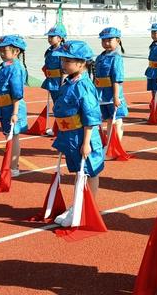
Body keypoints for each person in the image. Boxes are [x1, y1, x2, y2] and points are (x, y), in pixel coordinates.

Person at [51, 40, 104, 227]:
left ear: (81, 63)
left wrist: (87, 142)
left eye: (68, 61)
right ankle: (78, 204)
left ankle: (89, 207)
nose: (63, 64)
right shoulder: (69, 82)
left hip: (82, 136)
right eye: (63, 60)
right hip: (70, 136)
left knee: (90, 171)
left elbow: (90, 116)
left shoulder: (83, 85)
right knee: (78, 172)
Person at [0, 35, 29, 180]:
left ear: (16, 51)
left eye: (4, 50)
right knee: (9, 137)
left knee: (13, 138)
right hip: (4, 108)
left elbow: (17, 93)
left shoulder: (16, 68)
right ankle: (11, 167)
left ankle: (12, 168)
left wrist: (14, 112)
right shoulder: (7, 66)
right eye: (0, 50)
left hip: (12, 108)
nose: (1, 53)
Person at [95, 27, 129, 142]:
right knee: (109, 119)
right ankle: (110, 143)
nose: (106, 43)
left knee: (117, 119)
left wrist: (116, 96)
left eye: (109, 40)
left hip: (112, 94)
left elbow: (117, 79)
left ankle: (116, 144)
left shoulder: (116, 58)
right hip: (101, 94)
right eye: (104, 40)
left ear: (118, 41)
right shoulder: (100, 57)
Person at [41, 25, 67, 106]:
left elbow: (65, 69)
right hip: (51, 81)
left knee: (62, 103)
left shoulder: (63, 51)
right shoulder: (49, 51)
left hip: (59, 81)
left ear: (60, 38)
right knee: (56, 102)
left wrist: (63, 83)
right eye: (49, 37)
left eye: (52, 37)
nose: (49, 39)